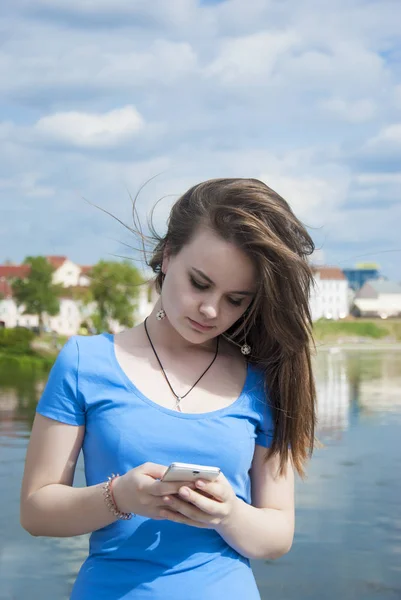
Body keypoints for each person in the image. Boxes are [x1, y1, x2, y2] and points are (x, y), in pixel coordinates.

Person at [20, 178, 317, 599]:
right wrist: (119, 495)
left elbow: (276, 536)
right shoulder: (85, 361)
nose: (211, 310)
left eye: (236, 299)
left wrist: (228, 513)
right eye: (199, 283)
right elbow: (36, 512)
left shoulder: (263, 379)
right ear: (167, 255)